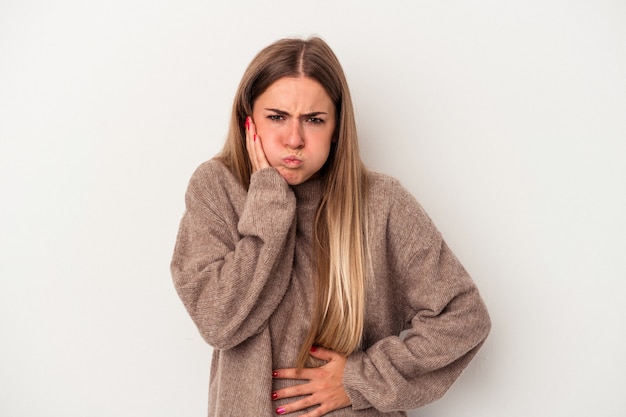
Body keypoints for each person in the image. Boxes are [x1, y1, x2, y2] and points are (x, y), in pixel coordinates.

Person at [171, 36, 491, 417]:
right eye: (276, 117)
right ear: (248, 120)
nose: (294, 139)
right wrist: (268, 202)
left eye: (314, 120)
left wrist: (360, 380)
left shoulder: (381, 202)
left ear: (337, 126)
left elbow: (464, 316)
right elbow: (219, 320)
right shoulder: (216, 188)